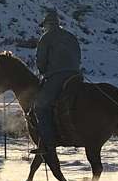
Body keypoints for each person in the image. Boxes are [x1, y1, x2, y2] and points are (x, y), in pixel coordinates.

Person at [32, 9, 82, 154]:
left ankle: (48, 143)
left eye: (44, 26)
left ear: (47, 24)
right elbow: (78, 57)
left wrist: (42, 71)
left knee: (40, 107)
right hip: (75, 75)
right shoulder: (71, 36)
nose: (44, 28)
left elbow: (41, 61)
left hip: (57, 77)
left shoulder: (46, 38)